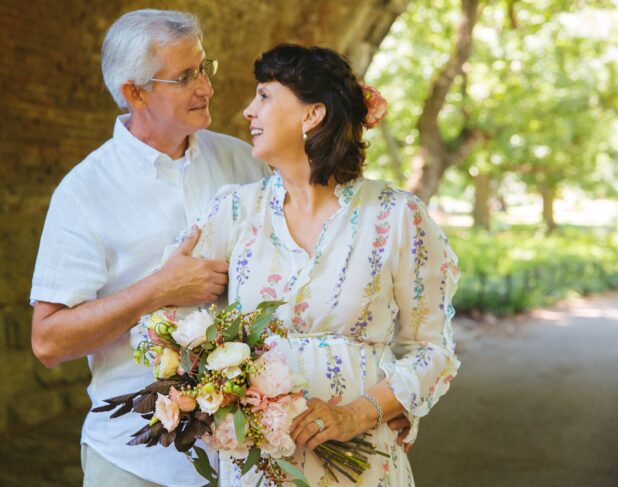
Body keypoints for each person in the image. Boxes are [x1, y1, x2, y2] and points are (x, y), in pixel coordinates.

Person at [179, 44, 460, 485]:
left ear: (312, 115)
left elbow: (432, 350)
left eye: (265, 96)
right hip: (259, 469)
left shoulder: (396, 217)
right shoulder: (233, 211)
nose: (248, 111)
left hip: (364, 465)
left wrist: (356, 414)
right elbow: (177, 326)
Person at [28, 9, 271, 487]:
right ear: (135, 93)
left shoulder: (245, 161)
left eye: (204, 68)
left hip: (247, 457)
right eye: (185, 77)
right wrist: (157, 290)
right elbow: (48, 341)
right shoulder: (83, 191)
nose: (206, 88)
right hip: (135, 461)